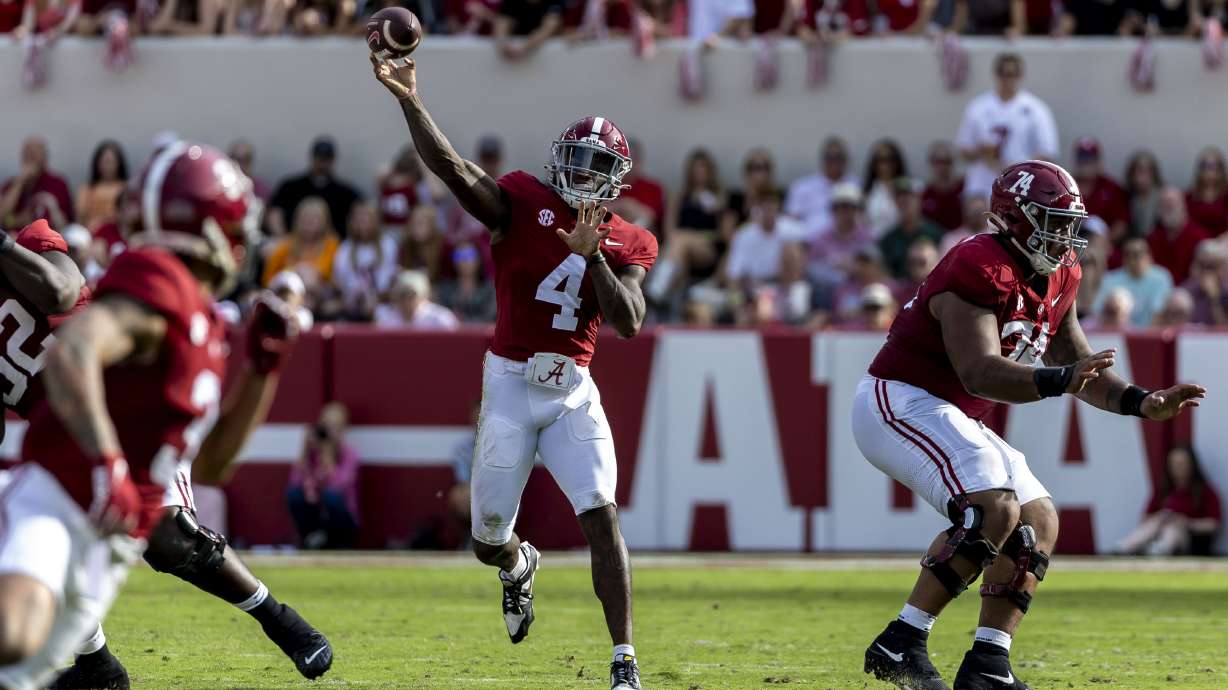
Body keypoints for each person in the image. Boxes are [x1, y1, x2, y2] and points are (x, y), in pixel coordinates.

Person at [854, 160, 1204, 690]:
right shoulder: (977, 264)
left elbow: (1081, 363)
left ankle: (989, 664)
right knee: (993, 507)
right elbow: (979, 373)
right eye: (1052, 220)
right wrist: (1062, 378)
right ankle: (901, 640)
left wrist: (1141, 401)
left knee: (1038, 521)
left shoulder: (1063, 273)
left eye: (1070, 223)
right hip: (900, 400)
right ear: (1015, 218)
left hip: (950, 410)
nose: (1065, 236)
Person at [373, 51, 657, 690]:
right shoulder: (524, 201)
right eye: (577, 161)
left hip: (572, 392)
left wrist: (594, 259)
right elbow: (452, 169)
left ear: (616, 181)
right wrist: (410, 100)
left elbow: (631, 321)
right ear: (560, 160)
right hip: (507, 384)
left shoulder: (628, 239)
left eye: (597, 167)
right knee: (485, 538)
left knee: (601, 512)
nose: (583, 175)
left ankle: (624, 663)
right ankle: (517, 562)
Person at [2, 143, 332, 690]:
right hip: (64, 474)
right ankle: (97, 667)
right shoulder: (157, 280)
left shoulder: (196, 316)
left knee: (24, 655)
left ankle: (100, 668)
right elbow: (71, 352)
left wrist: (263, 371)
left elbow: (216, 466)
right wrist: (106, 463)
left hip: (122, 481)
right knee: (13, 638)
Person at [955, 53, 1059, 198]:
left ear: (1020, 76)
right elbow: (964, 149)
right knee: (977, 213)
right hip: (982, 184)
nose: (1007, 79)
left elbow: (1047, 152)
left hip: (1022, 186)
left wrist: (1017, 168)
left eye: (1011, 74)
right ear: (995, 75)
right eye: (1002, 74)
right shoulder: (977, 107)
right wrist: (982, 151)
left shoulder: (1036, 109)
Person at [1115, 446, 1222, 556]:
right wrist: (1161, 517)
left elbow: (1213, 524)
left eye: (1182, 463)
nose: (1178, 467)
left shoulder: (1205, 491)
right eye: (1174, 463)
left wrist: (1186, 522)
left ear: (1192, 465)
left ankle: (1159, 551)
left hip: (1192, 541)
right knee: (1159, 521)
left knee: (1173, 528)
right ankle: (1124, 547)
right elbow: (1145, 519)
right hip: (1158, 534)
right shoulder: (1162, 490)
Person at [286, 402, 361, 549]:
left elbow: (340, 487)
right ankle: (310, 537)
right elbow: (295, 483)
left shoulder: (350, 455)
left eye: (335, 427)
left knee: (331, 496)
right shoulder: (312, 455)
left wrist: (328, 460)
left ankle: (339, 543)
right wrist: (304, 453)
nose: (330, 432)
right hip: (317, 516)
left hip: (343, 520)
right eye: (327, 426)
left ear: (344, 429)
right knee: (293, 494)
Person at [266, 136, 362, 237]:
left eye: (326, 158)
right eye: (319, 157)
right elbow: (275, 213)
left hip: (333, 249)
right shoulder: (290, 187)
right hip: (294, 246)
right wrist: (282, 239)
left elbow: (361, 214)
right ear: (312, 157)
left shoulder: (346, 193)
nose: (322, 162)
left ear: (333, 160)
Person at [725, 188, 805, 289]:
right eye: (765, 206)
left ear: (778, 207)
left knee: (793, 249)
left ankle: (792, 293)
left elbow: (808, 242)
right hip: (753, 284)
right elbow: (734, 272)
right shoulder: (744, 235)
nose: (769, 211)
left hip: (781, 282)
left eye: (772, 205)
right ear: (757, 209)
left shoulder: (791, 228)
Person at [332, 201, 399, 321]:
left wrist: (375, 296)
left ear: (377, 221)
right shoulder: (345, 248)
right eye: (360, 220)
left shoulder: (388, 244)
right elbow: (339, 282)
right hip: (352, 302)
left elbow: (392, 279)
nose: (364, 224)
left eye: (368, 219)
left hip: (383, 302)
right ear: (352, 223)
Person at [785, 136, 858, 238]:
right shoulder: (802, 187)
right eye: (830, 158)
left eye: (839, 157)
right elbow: (790, 222)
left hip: (847, 245)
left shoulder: (855, 184)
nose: (835, 162)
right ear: (823, 160)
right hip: (810, 246)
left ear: (846, 160)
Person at [262, 196, 341, 291]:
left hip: (320, 294)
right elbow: (268, 279)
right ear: (297, 220)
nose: (310, 221)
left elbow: (327, 273)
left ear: (325, 221)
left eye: (315, 218)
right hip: (287, 292)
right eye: (306, 217)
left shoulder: (332, 245)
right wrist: (293, 272)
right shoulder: (286, 244)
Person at [1094, 236, 1173, 327]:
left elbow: (1159, 313)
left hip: (1150, 335)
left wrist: (1143, 338)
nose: (1133, 259)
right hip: (1118, 335)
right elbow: (1098, 312)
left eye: (1137, 254)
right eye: (1128, 255)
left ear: (1148, 256)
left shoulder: (1161, 278)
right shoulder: (1110, 279)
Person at [0, 136, 73, 230]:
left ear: (45, 157)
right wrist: (20, 182)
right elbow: (3, 216)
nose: (31, 156)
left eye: (35, 153)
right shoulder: (11, 184)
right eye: (28, 152)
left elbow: (65, 225)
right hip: (15, 239)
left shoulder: (58, 184)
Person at [879, 178, 945, 279]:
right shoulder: (888, 239)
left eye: (910, 197)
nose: (904, 200)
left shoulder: (936, 234)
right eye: (900, 197)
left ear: (920, 200)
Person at [1147, 186, 1209, 286]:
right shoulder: (1153, 238)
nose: (1168, 206)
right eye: (1163, 204)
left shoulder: (1199, 237)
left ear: (1183, 205)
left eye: (1172, 203)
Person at [1070, 138, 1129, 244]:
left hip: (1105, 245)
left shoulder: (1111, 188)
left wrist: (1106, 242)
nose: (1085, 164)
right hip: (1071, 243)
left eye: (1089, 160)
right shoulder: (1066, 185)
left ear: (1098, 162)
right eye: (1082, 159)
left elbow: (1122, 223)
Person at [608, 137, 666, 241]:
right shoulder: (606, 185)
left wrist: (628, 207)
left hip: (641, 238)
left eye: (630, 160)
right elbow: (596, 210)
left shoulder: (652, 187)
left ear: (639, 161)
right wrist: (623, 205)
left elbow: (650, 217)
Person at [374, 269, 460, 330]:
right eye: (402, 294)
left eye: (412, 294)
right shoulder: (387, 320)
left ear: (423, 295)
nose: (406, 299)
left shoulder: (441, 319)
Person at [74, 139, 127, 231]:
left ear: (119, 164)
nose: (108, 167)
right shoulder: (87, 189)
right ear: (97, 163)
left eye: (111, 162)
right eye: (104, 162)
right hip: (90, 235)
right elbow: (80, 219)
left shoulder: (126, 188)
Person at [862, 139, 909, 237]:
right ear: (874, 164)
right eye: (881, 160)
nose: (886, 165)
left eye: (890, 159)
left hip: (900, 244)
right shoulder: (868, 191)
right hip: (874, 243)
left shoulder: (907, 188)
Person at [494, 0, 563, 60]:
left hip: (539, 52)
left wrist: (524, 47)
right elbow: (502, 23)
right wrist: (503, 43)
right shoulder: (511, 2)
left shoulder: (554, 2)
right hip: (513, 46)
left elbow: (549, 26)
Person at [921, 141, 965, 233]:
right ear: (931, 163)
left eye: (947, 162)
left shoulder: (964, 188)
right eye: (939, 162)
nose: (943, 166)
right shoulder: (925, 193)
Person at [1185, 147, 1228, 238]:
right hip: (1196, 243)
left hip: (1223, 243)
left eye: (1212, 167)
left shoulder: (1225, 194)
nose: (1208, 171)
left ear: (1220, 171)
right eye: (1204, 166)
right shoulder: (1189, 196)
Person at [1124, 150, 1164, 238]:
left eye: (1143, 172)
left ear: (1153, 173)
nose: (1140, 177)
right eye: (1136, 172)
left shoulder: (1163, 197)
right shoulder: (1127, 197)